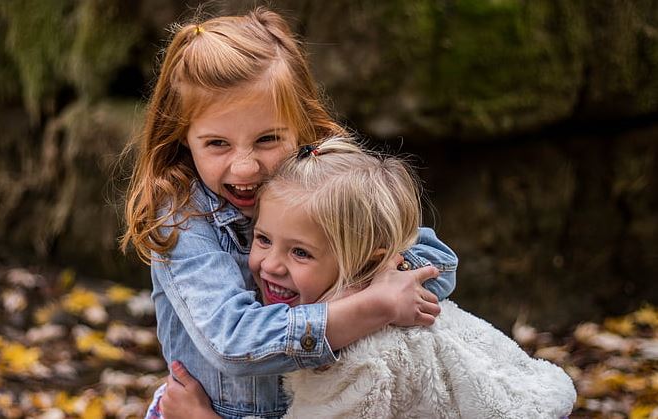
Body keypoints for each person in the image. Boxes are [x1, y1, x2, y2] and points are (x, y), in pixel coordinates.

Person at [120, 8, 458, 419]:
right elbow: (234, 342)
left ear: (300, 126)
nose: (245, 168)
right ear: (183, 138)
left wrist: (377, 279)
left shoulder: (323, 186)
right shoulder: (183, 217)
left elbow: (436, 264)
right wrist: (372, 306)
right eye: (217, 144)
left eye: (267, 139)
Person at [160, 137, 577, 419]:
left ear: (366, 261)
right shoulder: (383, 296)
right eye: (263, 239)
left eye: (301, 252)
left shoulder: (360, 359)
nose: (270, 265)